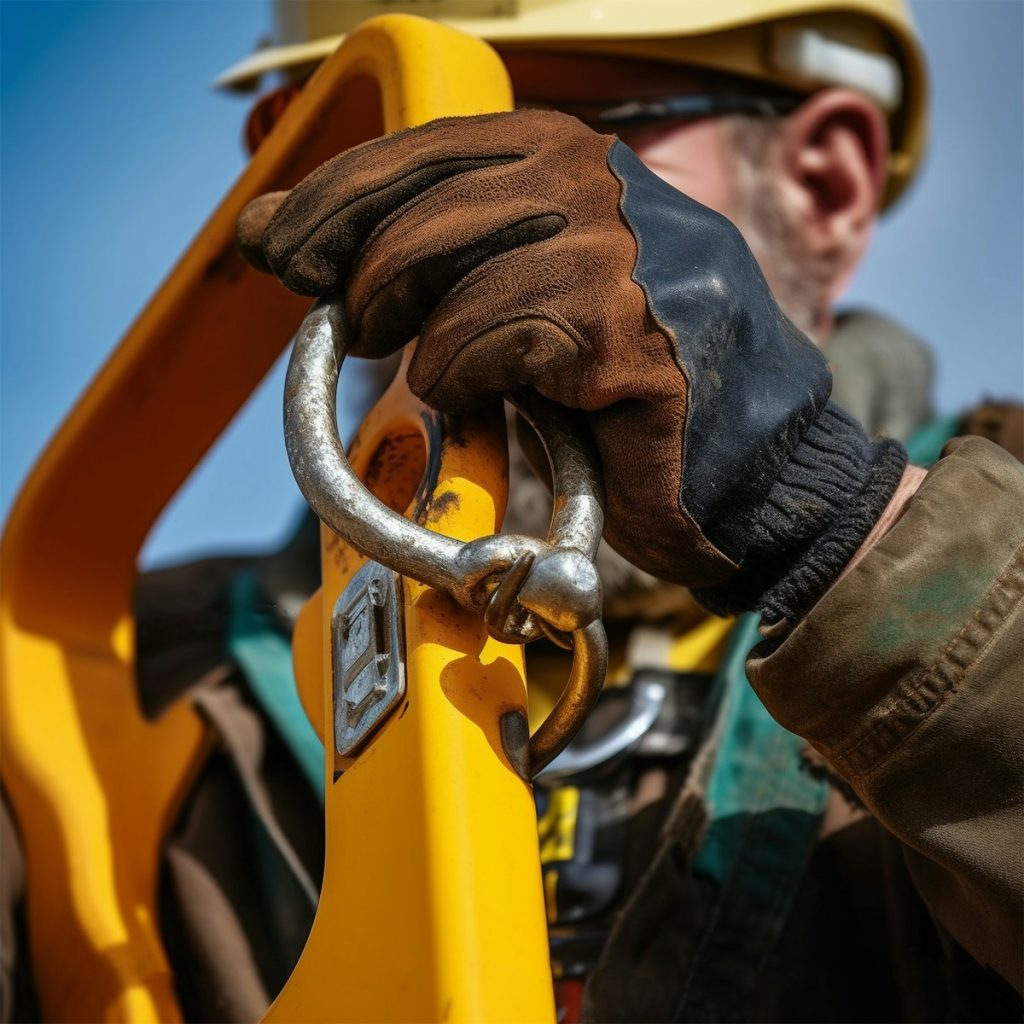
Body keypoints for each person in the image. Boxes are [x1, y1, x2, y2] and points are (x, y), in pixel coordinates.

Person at [2, 3, 1020, 1023]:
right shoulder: (110, 680)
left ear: (822, 185)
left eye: (561, 141)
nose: (443, 233)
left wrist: (819, 513)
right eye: (377, 167)